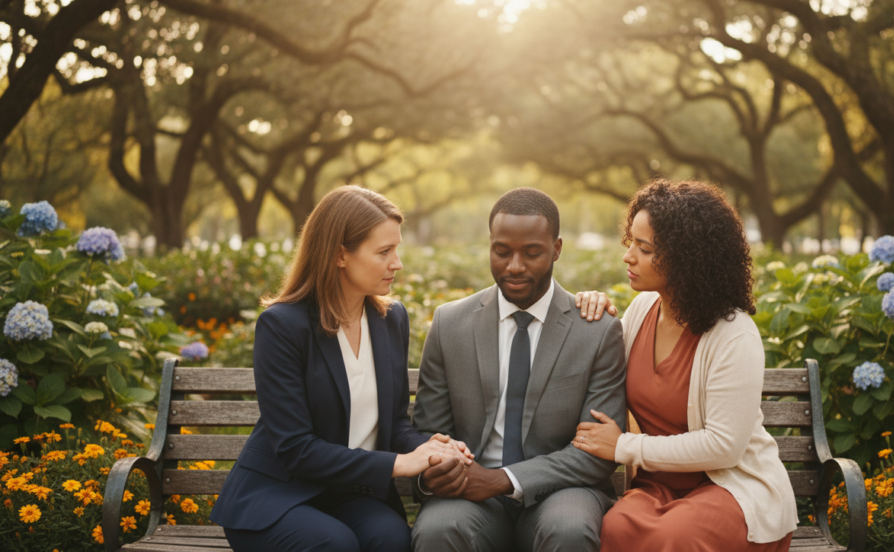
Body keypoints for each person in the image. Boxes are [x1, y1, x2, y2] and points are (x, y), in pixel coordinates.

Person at [211, 186, 470, 552]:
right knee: (335, 544)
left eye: (397, 249)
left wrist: (431, 449)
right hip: (276, 496)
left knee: (393, 538)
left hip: (347, 496)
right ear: (339, 255)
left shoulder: (390, 318)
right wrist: (400, 463)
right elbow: (296, 448)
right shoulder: (283, 326)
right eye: (384, 251)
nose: (397, 263)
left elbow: (394, 423)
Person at [573, 179, 798, 552]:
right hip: (658, 489)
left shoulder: (734, 334)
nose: (628, 256)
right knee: (613, 529)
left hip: (731, 487)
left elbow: (723, 447)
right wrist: (588, 308)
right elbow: (599, 366)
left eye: (644, 249)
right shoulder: (642, 309)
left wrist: (624, 446)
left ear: (687, 257)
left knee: (673, 537)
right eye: (630, 242)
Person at [410, 187, 627, 552]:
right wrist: (438, 468)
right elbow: (431, 430)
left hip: (563, 491)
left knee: (569, 530)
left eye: (532, 253)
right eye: (501, 251)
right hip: (470, 494)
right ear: (490, 245)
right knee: (438, 529)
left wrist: (501, 480)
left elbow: (595, 451)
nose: (514, 266)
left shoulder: (596, 329)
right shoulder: (450, 323)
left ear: (556, 249)